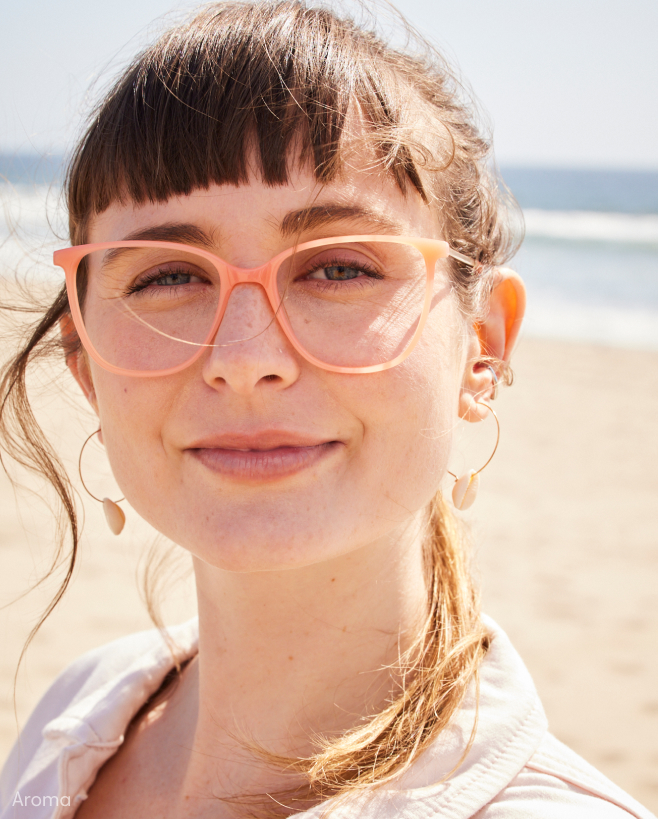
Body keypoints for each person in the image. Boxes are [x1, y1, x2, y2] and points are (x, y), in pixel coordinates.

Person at [0, 2, 654, 818]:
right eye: (168, 276)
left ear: (482, 348)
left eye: (338, 268)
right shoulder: (69, 723)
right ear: (85, 360)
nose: (244, 360)